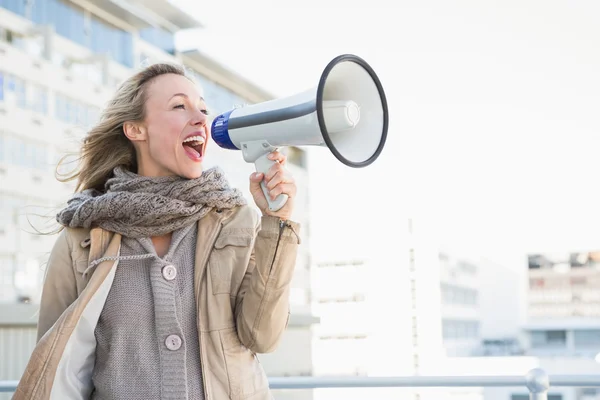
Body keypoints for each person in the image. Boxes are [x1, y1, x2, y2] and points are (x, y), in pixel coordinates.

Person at [14, 63, 301, 400]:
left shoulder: (235, 220)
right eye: (180, 106)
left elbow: (263, 336)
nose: (200, 118)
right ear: (136, 129)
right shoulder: (81, 239)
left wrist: (277, 222)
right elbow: (56, 369)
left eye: (203, 109)